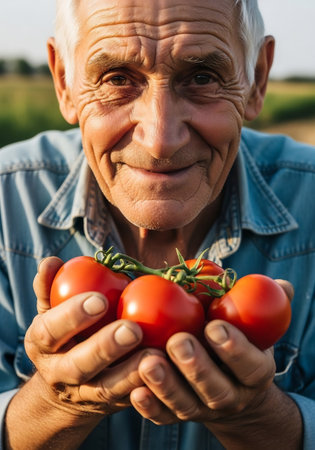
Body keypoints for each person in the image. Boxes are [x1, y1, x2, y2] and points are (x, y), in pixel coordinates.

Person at [0, 0, 314, 448]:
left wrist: (262, 419)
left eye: (202, 77)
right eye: (116, 79)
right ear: (65, 82)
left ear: (256, 81)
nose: (161, 138)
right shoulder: (5, 203)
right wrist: (54, 406)